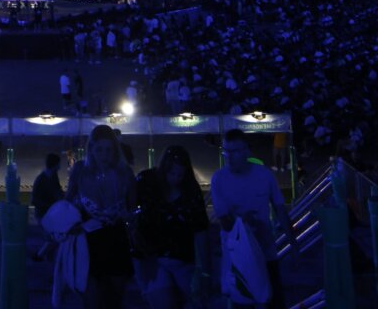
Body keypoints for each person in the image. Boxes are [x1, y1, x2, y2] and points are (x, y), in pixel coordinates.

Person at [64, 123, 139, 309]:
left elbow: (134, 208)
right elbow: (67, 204)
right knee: (91, 298)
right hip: (88, 243)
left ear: (115, 150)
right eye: (100, 150)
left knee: (115, 299)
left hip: (116, 240)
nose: (104, 155)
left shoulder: (124, 173)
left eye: (108, 150)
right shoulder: (80, 171)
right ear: (91, 149)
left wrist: (127, 216)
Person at [210, 129, 284, 306]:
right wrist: (245, 221)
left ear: (247, 151)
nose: (229, 156)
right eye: (226, 151)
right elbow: (225, 221)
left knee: (272, 300)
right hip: (236, 256)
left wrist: (292, 242)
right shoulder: (219, 179)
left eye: (234, 151)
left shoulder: (265, 175)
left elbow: (281, 209)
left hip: (265, 251)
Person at [135, 145, 209, 309]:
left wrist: (204, 269)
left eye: (180, 175)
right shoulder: (146, 182)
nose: (175, 178)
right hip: (154, 259)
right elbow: (133, 218)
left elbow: (201, 229)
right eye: (172, 173)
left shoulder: (190, 190)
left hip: (182, 259)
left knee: (192, 300)